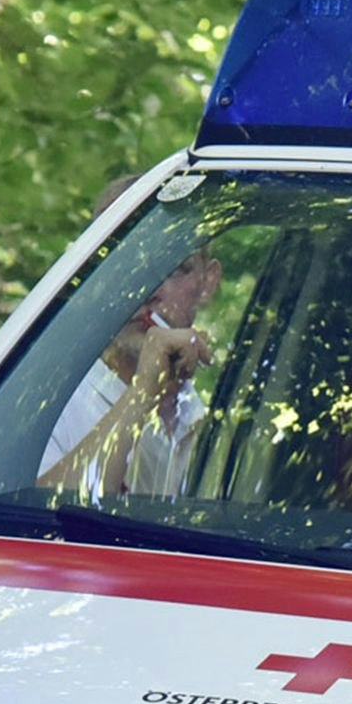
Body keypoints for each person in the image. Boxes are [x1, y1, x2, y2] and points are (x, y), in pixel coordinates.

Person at [38, 174, 221, 498]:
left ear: (208, 282)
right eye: (126, 268)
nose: (148, 290)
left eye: (175, 267)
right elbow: (39, 526)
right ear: (98, 278)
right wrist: (142, 394)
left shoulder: (209, 425)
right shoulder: (48, 404)